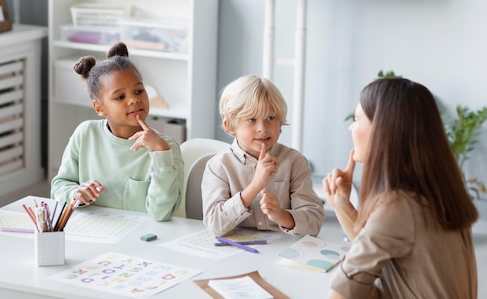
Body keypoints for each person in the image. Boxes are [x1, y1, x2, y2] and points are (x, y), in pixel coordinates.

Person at [324, 77, 478, 299]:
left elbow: (343, 291)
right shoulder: (435, 193)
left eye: (357, 119)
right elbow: (374, 245)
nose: (351, 128)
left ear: (381, 131)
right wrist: (341, 204)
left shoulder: (399, 206)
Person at [50, 42, 184, 222]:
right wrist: (75, 193)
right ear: (99, 108)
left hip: (141, 239)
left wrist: (161, 155)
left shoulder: (166, 148)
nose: (134, 100)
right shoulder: (85, 134)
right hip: (92, 232)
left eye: (138, 91)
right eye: (120, 97)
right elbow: (59, 185)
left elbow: (161, 213)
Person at [202, 74, 324, 236]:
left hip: (281, 251)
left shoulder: (295, 162)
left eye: (270, 118)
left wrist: (281, 215)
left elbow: (314, 222)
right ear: (230, 126)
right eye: (251, 119)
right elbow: (214, 224)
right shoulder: (218, 166)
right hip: (234, 251)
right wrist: (255, 186)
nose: (263, 128)